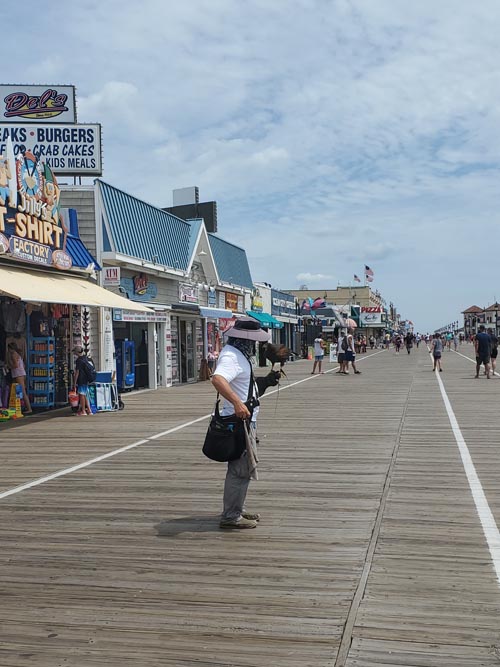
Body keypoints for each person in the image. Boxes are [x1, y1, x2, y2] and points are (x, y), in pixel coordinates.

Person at [211, 317, 272, 530]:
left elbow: (243, 384)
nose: (255, 345)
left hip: (246, 420)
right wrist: (237, 403)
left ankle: (237, 508)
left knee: (244, 467)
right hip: (238, 422)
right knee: (239, 469)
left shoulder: (239, 355)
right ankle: (230, 516)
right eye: (253, 341)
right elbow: (218, 379)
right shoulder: (232, 357)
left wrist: (265, 382)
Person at [7, 342, 31, 414]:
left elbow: (16, 365)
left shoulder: (13, 354)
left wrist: (9, 366)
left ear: (10, 348)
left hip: (18, 374)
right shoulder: (18, 354)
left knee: (22, 391)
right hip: (20, 373)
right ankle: (17, 407)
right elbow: (22, 365)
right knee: (15, 391)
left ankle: (29, 408)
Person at [73, 345, 94, 415]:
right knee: (85, 395)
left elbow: (77, 372)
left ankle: (83, 411)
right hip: (86, 379)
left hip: (81, 380)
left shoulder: (79, 360)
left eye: (75, 352)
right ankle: (89, 410)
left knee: (81, 395)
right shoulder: (85, 358)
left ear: (77, 352)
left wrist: (74, 382)